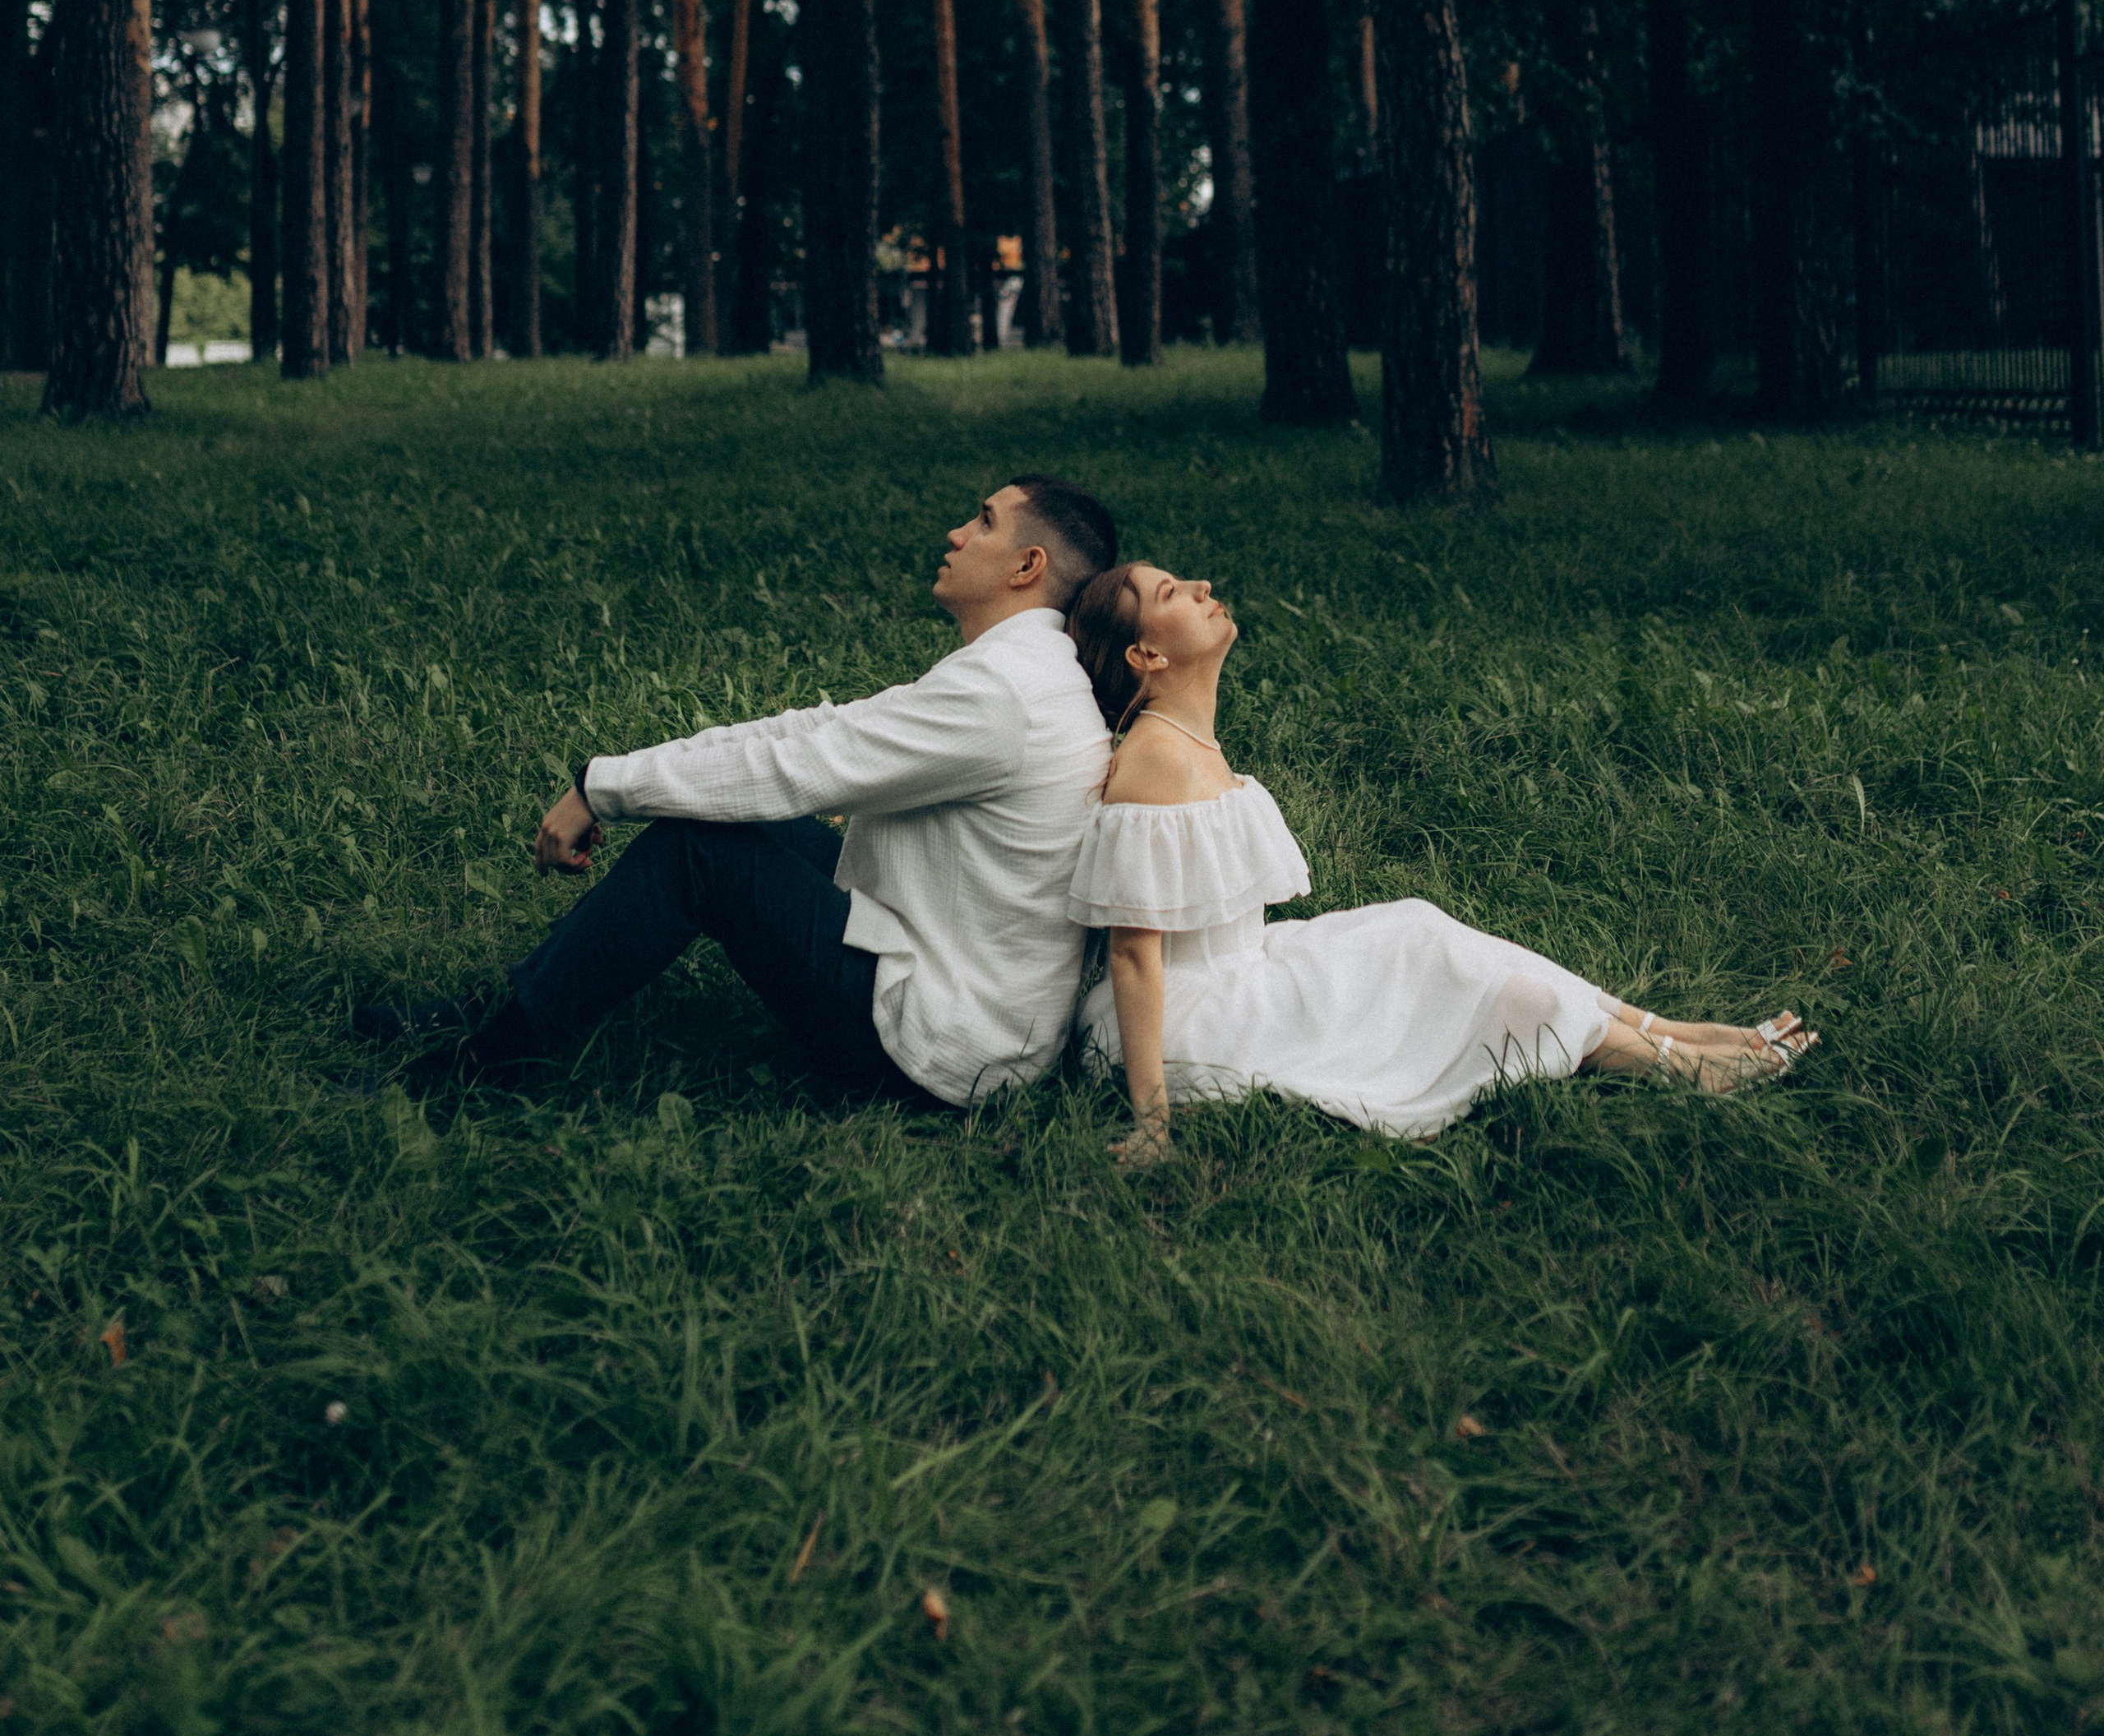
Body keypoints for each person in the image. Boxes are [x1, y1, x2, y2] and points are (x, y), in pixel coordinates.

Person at [357, 475, 1119, 1101]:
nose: (957, 533)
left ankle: (488, 1058)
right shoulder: (1017, 676)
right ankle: (501, 1009)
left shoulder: (1003, 698)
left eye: (983, 522)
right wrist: (610, 779)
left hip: (949, 1053)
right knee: (732, 829)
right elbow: (812, 733)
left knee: (700, 851)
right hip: (961, 989)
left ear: (1026, 567)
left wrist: (607, 793)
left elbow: (797, 773)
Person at [1065, 561, 1819, 1166]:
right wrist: (1153, 1122)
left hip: (1247, 966)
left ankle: (1674, 1032)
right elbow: (1135, 957)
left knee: (1417, 929)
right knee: (1452, 983)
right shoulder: (1155, 760)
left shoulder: (1185, 740)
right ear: (1147, 655)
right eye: (1170, 592)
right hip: (1195, 1018)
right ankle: (1680, 1067)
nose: (1201, 587)